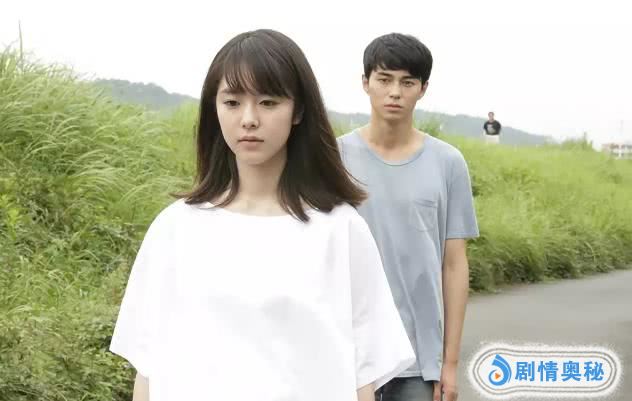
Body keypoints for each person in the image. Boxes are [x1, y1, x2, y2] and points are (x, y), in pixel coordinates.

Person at [109, 29, 416, 401]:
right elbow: (148, 370)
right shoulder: (175, 228)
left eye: (268, 102)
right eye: (232, 102)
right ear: (214, 108)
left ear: (298, 110)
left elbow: (362, 377)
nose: (249, 119)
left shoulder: (341, 230)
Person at [337, 33, 479, 401]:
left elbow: (454, 265)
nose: (395, 92)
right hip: (348, 353)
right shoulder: (335, 158)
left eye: (407, 82)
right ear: (365, 82)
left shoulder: (448, 162)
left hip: (418, 359)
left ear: (423, 89)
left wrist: (449, 363)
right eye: (384, 79)